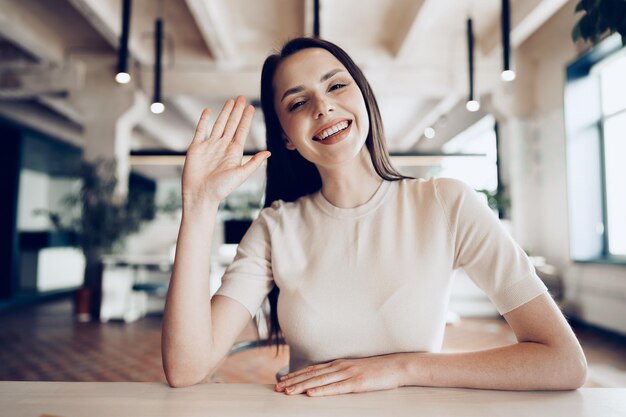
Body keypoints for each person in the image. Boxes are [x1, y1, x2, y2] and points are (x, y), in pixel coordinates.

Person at [161, 37, 587, 397]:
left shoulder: (446, 202)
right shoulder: (275, 229)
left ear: (364, 96)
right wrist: (198, 205)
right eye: (297, 103)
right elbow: (186, 368)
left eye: (336, 86)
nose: (323, 107)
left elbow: (562, 361)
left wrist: (401, 368)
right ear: (287, 138)